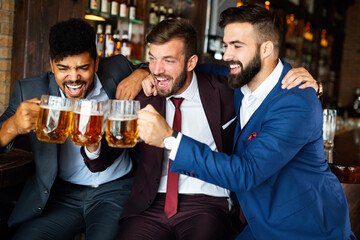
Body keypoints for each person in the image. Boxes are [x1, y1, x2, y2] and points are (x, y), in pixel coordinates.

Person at [137, 5, 355, 240]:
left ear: (266, 49)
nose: (227, 55)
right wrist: (141, 72)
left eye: (237, 46)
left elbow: (246, 172)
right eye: (226, 45)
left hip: (303, 229)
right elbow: (185, 66)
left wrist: (170, 139)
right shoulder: (243, 78)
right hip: (259, 223)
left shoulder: (295, 102)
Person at [105, 17, 319, 240]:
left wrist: (314, 86)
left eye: (168, 60)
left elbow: (262, 74)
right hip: (150, 202)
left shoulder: (228, 88)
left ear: (191, 62)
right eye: (152, 59)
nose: (227, 55)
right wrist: (140, 71)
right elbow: (105, 156)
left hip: (209, 201)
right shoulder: (146, 91)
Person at [0, 18, 148, 240]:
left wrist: (140, 74)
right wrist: (11, 127)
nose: (74, 78)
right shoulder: (29, 89)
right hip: (61, 195)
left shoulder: (116, 69)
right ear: (51, 66)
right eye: (63, 68)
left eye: (83, 68)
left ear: (96, 64)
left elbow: (154, 66)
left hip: (115, 191)